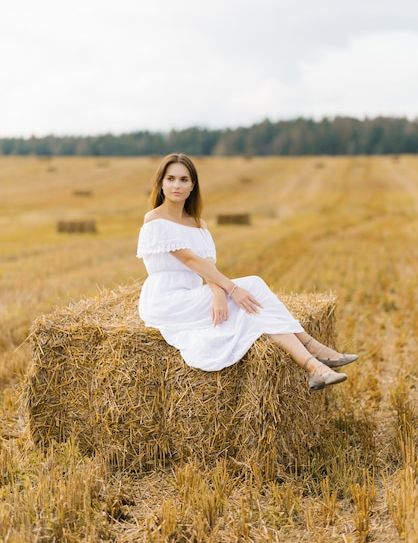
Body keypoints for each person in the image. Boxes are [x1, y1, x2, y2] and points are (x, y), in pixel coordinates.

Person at [136, 153, 357, 391]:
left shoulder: (198, 224)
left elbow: (207, 265)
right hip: (166, 302)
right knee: (252, 287)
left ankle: (316, 368)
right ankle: (313, 350)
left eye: (183, 179)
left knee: (257, 310)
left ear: (192, 186)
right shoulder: (155, 220)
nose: (176, 185)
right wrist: (231, 288)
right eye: (170, 179)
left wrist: (219, 294)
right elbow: (191, 261)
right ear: (161, 183)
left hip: (192, 296)